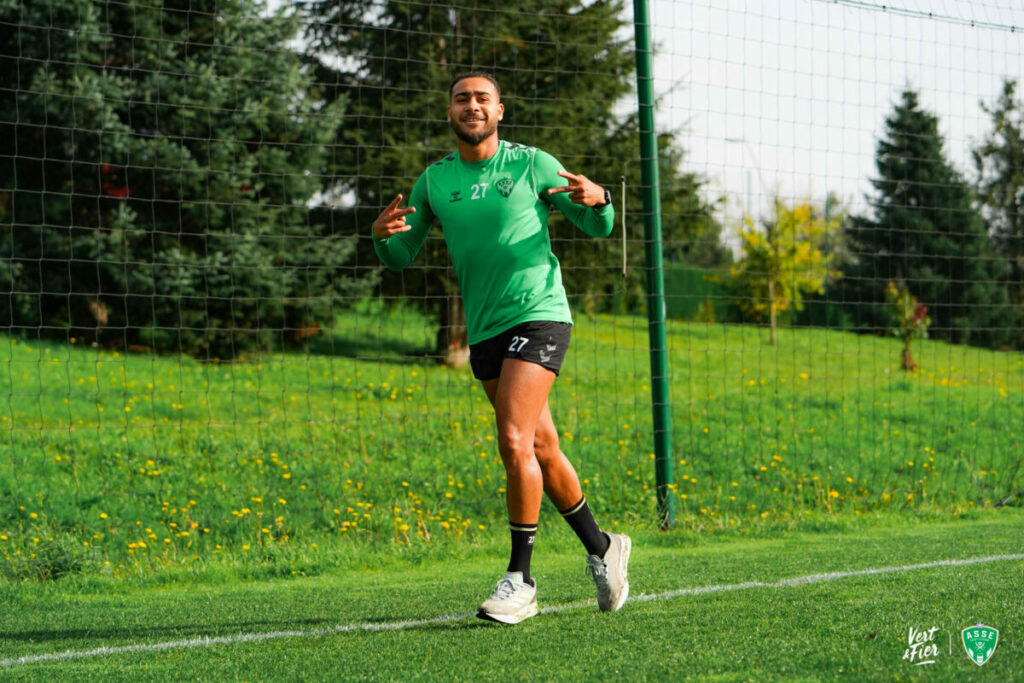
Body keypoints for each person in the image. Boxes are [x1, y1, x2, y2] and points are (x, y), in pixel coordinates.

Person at [371, 72, 630, 625]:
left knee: (513, 438)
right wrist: (381, 236)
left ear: (500, 111)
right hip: (485, 329)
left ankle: (521, 580)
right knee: (540, 446)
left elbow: (597, 226)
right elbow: (400, 256)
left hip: (539, 313)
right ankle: (603, 547)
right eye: (462, 99)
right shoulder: (435, 181)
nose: (472, 106)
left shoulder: (532, 164)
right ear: (449, 112)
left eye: (482, 98)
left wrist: (601, 200)